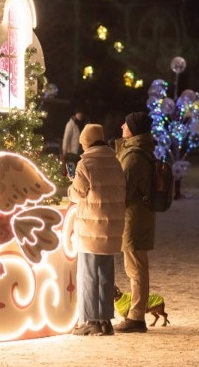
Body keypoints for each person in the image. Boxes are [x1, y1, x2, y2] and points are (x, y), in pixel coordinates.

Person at [68, 124, 126, 336]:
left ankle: (91, 320)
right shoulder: (115, 161)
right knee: (106, 275)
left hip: (91, 228)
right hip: (111, 227)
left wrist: (71, 184)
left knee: (89, 274)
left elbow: (77, 194)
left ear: (87, 142)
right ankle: (105, 321)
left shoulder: (86, 163)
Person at [114, 111, 156, 333]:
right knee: (135, 266)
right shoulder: (138, 151)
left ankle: (136, 317)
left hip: (134, 218)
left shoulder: (134, 156)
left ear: (134, 129)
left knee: (136, 267)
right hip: (138, 216)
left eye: (126, 124)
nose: (122, 126)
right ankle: (135, 314)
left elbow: (124, 189)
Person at [62, 109, 86, 177]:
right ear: (76, 114)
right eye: (79, 113)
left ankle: (77, 181)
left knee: (79, 168)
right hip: (72, 150)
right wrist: (64, 150)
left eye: (82, 113)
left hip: (81, 150)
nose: (80, 115)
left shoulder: (84, 123)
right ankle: (71, 179)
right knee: (71, 168)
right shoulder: (71, 124)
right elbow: (66, 138)